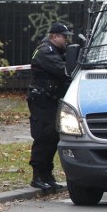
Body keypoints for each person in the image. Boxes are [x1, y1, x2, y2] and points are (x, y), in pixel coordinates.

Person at [27, 22, 73, 193]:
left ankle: (47, 174)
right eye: (64, 36)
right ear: (54, 36)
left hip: (52, 100)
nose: (66, 40)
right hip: (42, 101)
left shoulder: (56, 51)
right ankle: (37, 175)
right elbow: (63, 71)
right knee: (43, 136)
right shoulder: (46, 51)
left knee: (53, 136)